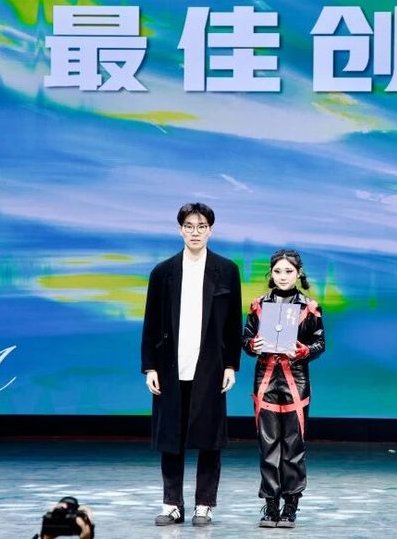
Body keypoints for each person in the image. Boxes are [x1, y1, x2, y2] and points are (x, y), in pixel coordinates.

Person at [140, 202, 244, 527]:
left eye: (201, 226)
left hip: (211, 368)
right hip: (170, 368)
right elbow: (150, 322)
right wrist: (150, 367)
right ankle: (172, 504)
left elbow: (233, 323)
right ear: (180, 229)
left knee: (210, 438)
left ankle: (204, 504)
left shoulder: (226, 270)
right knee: (170, 438)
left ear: (210, 230)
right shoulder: (163, 272)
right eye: (189, 226)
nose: (195, 232)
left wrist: (231, 365)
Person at [242, 249, 326, 529]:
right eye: (278, 271)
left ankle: (291, 506)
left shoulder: (310, 307)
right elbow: (246, 339)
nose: (283, 276)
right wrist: (252, 345)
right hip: (265, 380)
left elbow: (320, 344)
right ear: (271, 273)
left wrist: (303, 351)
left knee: (293, 445)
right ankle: (270, 505)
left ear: (298, 273)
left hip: (295, 381)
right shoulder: (258, 305)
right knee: (267, 445)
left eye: (289, 271)